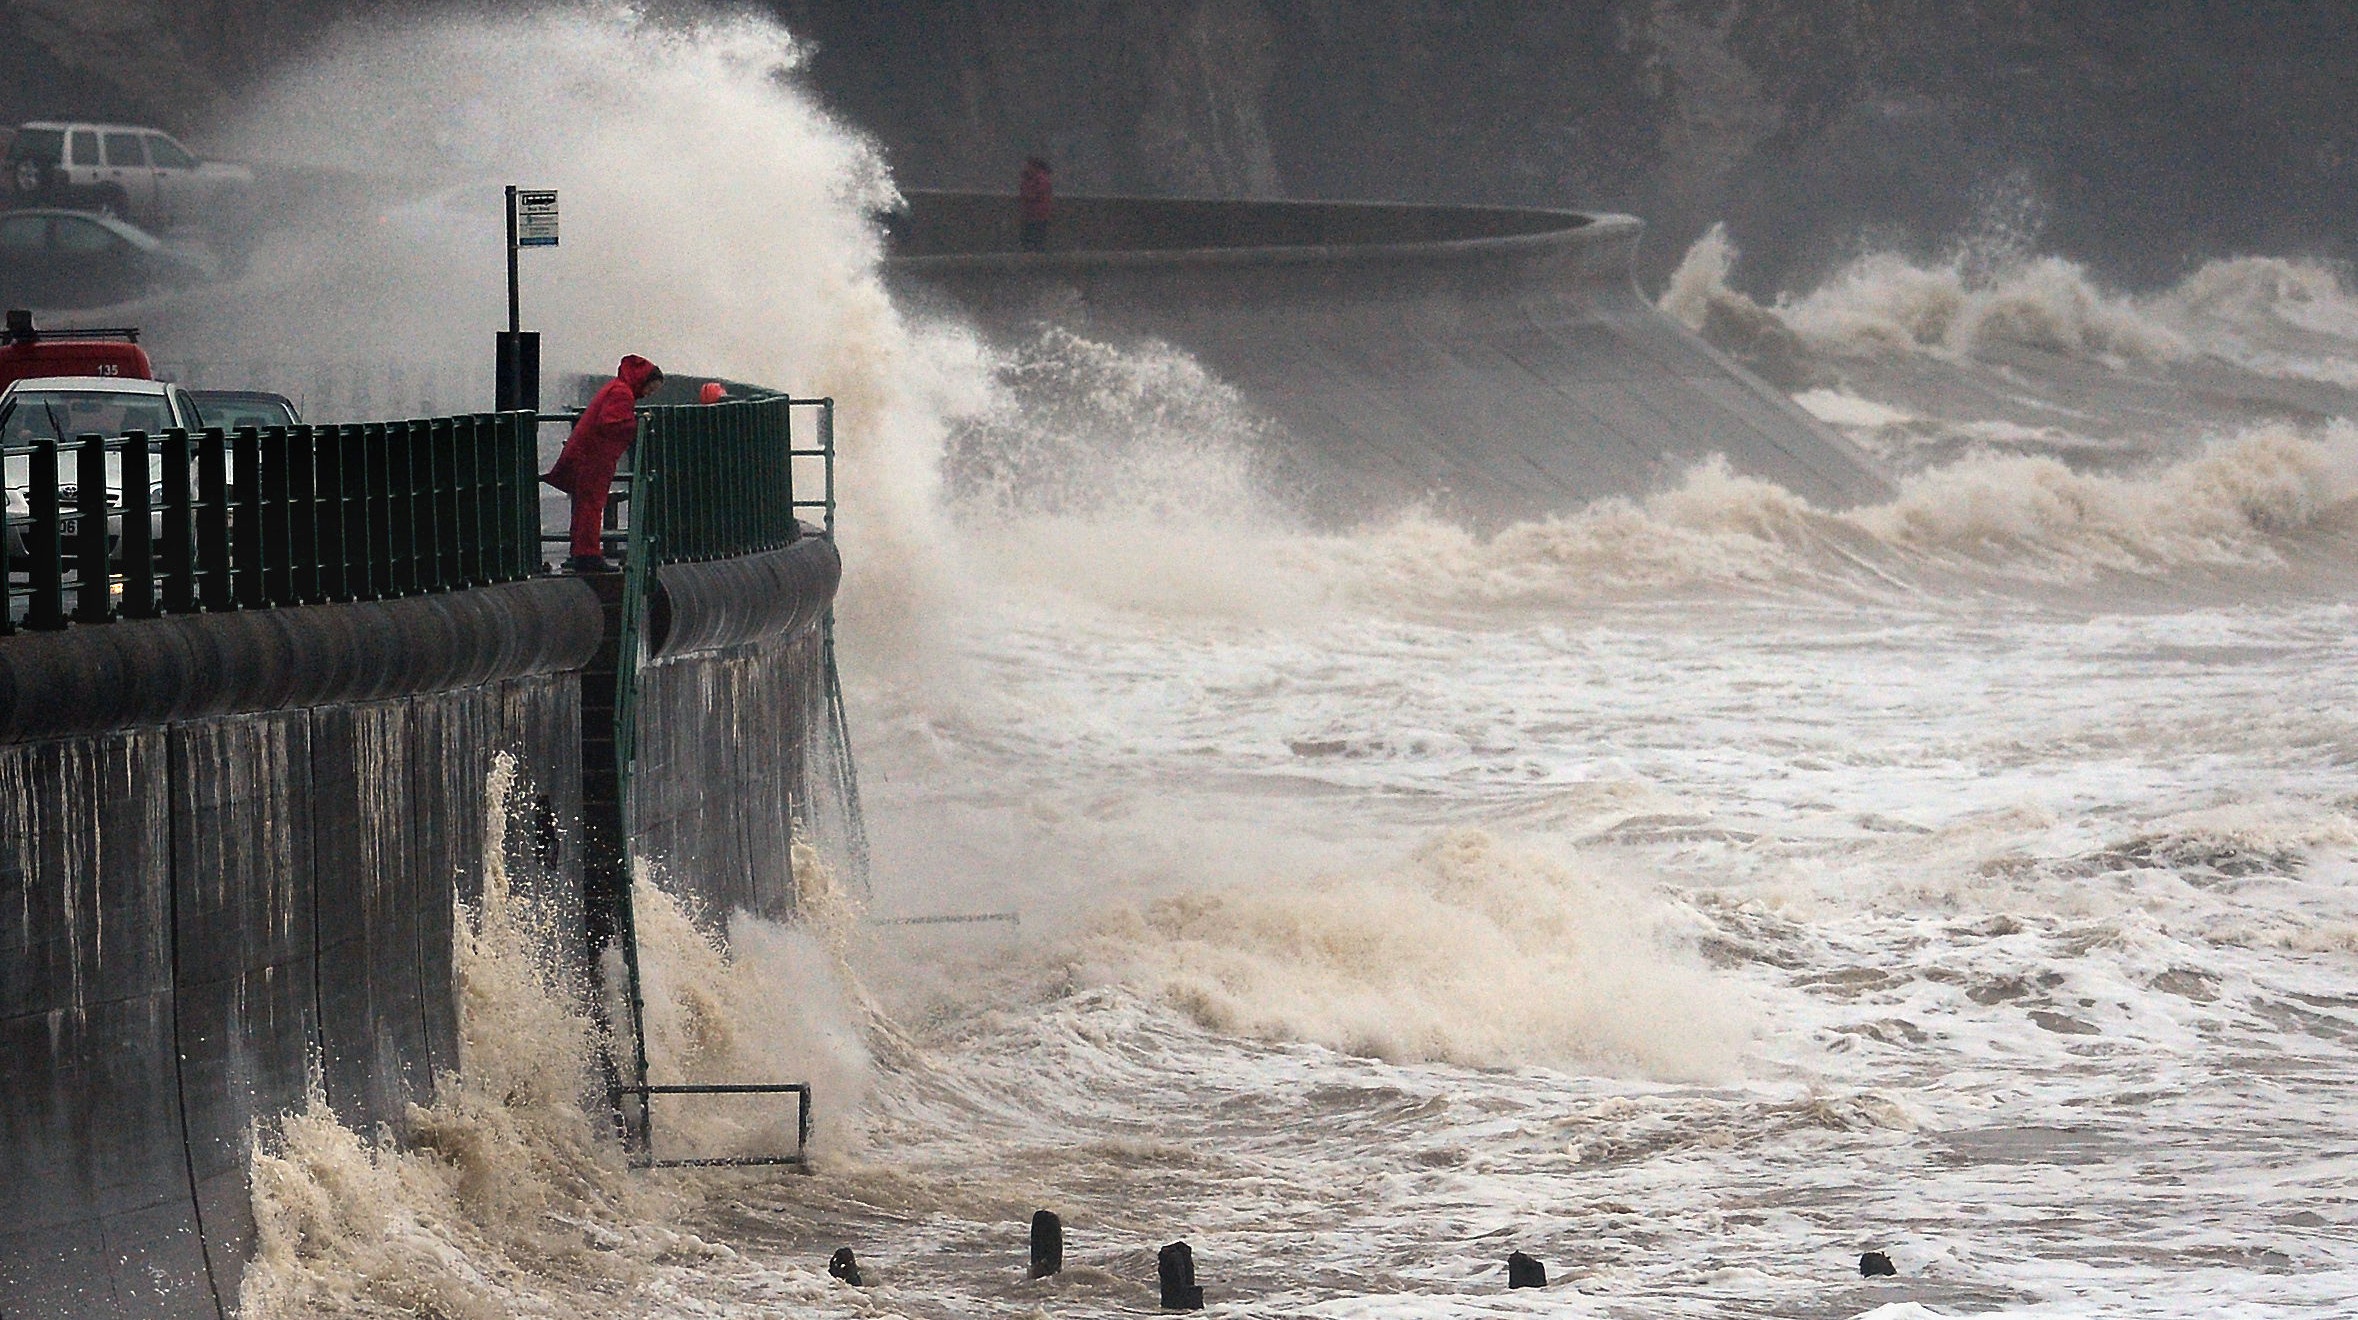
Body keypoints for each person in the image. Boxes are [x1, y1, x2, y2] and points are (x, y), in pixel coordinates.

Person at [543, 353, 662, 572]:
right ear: (643, 381)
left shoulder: (617, 388)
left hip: (589, 456)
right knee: (591, 505)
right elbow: (611, 423)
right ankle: (588, 555)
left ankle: (581, 552)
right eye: (650, 389)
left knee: (585, 506)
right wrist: (637, 425)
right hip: (594, 458)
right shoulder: (622, 394)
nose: (648, 394)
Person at [1019, 156, 1053, 252]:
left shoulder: (1041, 180)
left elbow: (1036, 195)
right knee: (1026, 239)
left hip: (1039, 214)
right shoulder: (1029, 179)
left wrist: (1026, 194)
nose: (1025, 168)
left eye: (1028, 166)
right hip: (1029, 214)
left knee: (1036, 239)